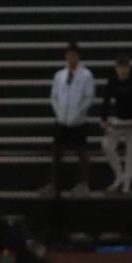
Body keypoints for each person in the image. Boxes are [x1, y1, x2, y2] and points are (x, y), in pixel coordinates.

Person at [41, 41, 94, 198]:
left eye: (74, 55)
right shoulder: (59, 75)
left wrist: (76, 115)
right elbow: (54, 97)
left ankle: (83, 184)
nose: (71, 57)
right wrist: (59, 114)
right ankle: (54, 184)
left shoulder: (86, 75)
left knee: (82, 153)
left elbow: (89, 98)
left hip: (79, 122)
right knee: (57, 154)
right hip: (61, 121)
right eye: (69, 54)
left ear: (78, 56)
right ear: (66, 56)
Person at [100, 55, 132, 194]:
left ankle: (127, 183)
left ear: (129, 68)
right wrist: (103, 119)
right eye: (120, 68)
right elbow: (106, 100)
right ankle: (119, 175)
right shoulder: (112, 81)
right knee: (107, 146)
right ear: (116, 69)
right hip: (118, 121)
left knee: (131, 154)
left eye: (125, 68)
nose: (122, 71)